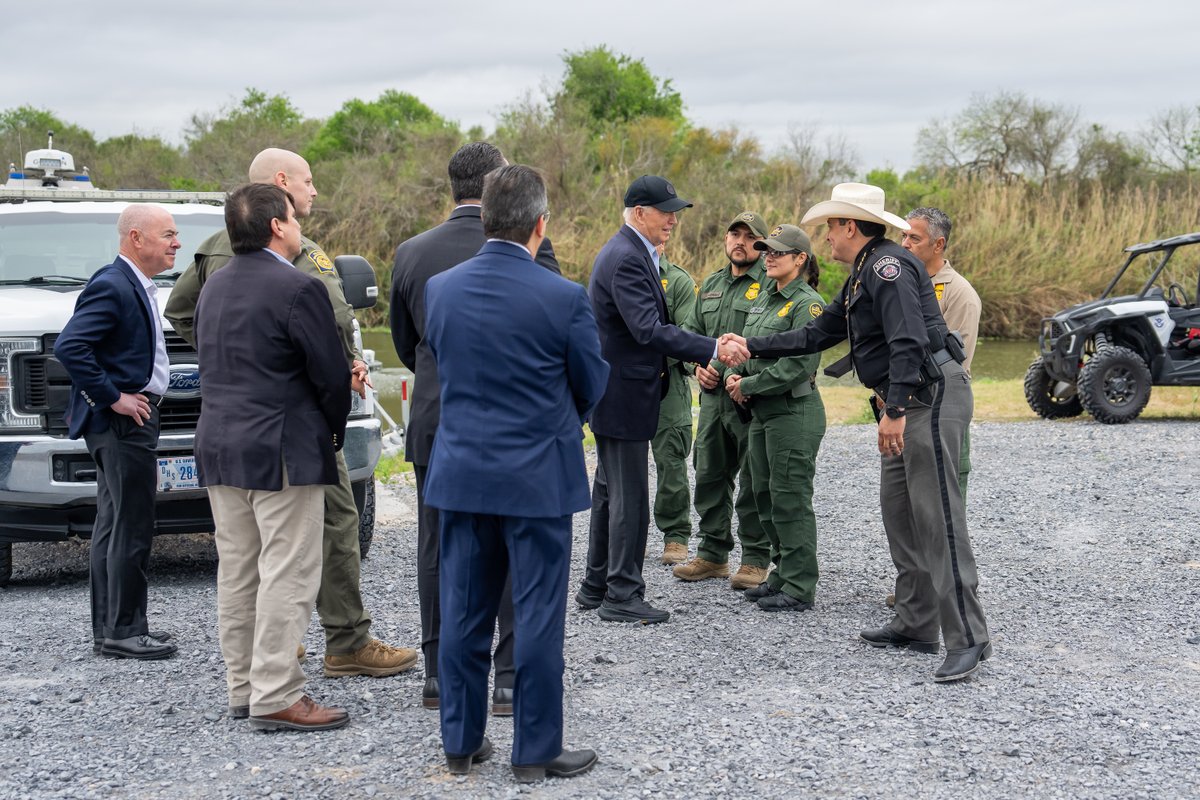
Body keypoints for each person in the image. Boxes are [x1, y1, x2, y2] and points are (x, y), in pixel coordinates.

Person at [165, 148, 416, 679]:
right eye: (307, 182)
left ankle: (267, 662)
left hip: (235, 427)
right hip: (295, 424)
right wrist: (310, 380)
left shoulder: (216, 251)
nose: (315, 191)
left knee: (248, 554)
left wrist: (234, 358)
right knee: (317, 535)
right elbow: (319, 334)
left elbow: (184, 310)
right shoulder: (284, 254)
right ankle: (336, 646)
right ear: (282, 193)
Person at [724, 183, 992, 682]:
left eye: (830, 227)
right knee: (901, 511)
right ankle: (916, 623)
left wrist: (894, 407)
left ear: (851, 226)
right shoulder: (863, 273)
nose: (825, 238)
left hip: (926, 397)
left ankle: (969, 637)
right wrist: (750, 344)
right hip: (906, 398)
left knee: (937, 518)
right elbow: (817, 333)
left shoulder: (887, 267)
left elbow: (909, 339)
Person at [423, 165, 608, 782]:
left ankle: (460, 742)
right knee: (535, 616)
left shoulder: (441, 289)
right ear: (540, 224)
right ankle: (534, 751)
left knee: (463, 610)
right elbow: (590, 382)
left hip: (463, 472)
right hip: (536, 478)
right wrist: (557, 420)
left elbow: (444, 363)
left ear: (483, 219)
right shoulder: (563, 296)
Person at [390, 142, 559, 713]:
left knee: (439, 547)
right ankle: (510, 678)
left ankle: (440, 674)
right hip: (517, 425)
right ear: (497, 186)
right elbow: (555, 333)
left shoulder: (411, 253)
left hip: (439, 420)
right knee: (515, 549)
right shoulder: (534, 247)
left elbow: (407, 345)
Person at [195, 183, 351, 731]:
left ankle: (244, 686)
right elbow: (331, 376)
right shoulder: (298, 287)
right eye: (294, 216)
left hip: (219, 443)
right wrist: (332, 433)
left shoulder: (211, 287)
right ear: (279, 226)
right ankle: (277, 693)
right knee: (288, 570)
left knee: (238, 570)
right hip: (283, 446)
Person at [578, 175, 747, 624]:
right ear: (638, 213)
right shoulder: (628, 258)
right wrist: (713, 348)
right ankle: (623, 594)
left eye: (676, 211)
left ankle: (597, 585)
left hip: (617, 392)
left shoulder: (630, 252)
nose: (673, 219)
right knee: (628, 498)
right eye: (665, 211)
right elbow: (647, 330)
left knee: (611, 494)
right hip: (623, 394)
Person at [55, 204, 180, 660]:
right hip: (123, 421)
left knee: (112, 524)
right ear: (135, 238)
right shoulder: (113, 284)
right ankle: (125, 631)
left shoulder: (133, 284)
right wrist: (114, 397)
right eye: (167, 234)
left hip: (124, 421)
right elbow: (70, 346)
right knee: (131, 525)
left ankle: (111, 628)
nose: (176, 243)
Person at [728, 225, 827, 611]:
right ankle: (781, 574)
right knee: (762, 496)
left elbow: (798, 366)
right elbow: (753, 350)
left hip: (793, 411)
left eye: (778, 252)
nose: (768, 256)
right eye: (766, 250)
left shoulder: (807, 304)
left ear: (800, 259)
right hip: (763, 412)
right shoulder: (763, 298)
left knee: (790, 498)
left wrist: (748, 384)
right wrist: (735, 373)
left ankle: (800, 585)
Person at [672, 212, 773, 591]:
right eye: (735, 234)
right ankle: (713, 554)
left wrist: (728, 368)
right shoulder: (711, 283)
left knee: (754, 479)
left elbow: (774, 338)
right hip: (713, 401)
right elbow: (690, 335)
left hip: (750, 397)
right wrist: (696, 364)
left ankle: (755, 559)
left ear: (762, 245)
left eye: (750, 236)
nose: (741, 242)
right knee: (709, 475)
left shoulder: (771, 283)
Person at [651, 242, 697, 565]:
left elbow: (687, 333)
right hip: (629, 383)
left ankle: (676, 535)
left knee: (671, 462)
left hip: (668, 382)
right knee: (623, 467)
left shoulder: (678, 281)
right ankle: (627, 535)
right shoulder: (622, 270)